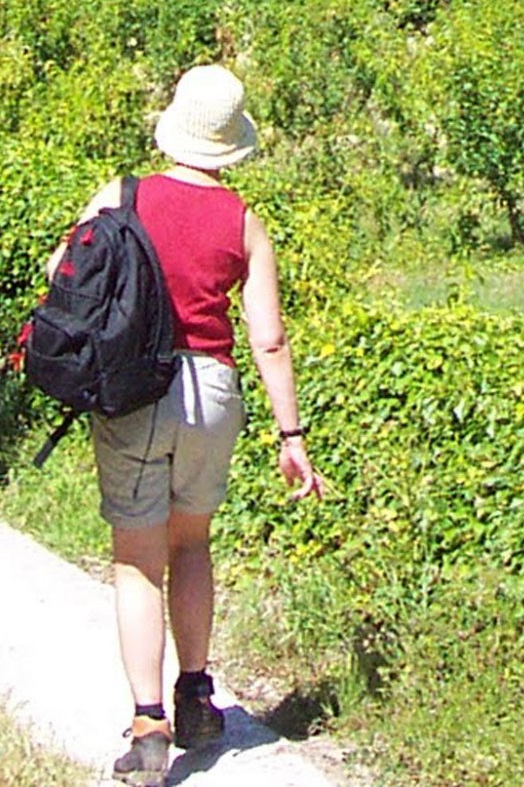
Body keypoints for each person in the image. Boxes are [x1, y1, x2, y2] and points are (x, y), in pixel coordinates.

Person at [65, 64, 325, 780]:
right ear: (230, 143)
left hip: (133, 391)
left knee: (136, 560)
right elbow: (269, 337)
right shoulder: (243, 220)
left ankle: (148, 728)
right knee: (193, 543)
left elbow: (65, 272)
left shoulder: (121, 197)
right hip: (212, 392)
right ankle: (197, 698)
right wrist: (291, 436)